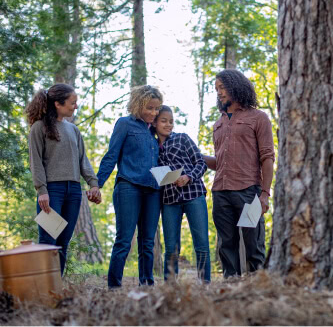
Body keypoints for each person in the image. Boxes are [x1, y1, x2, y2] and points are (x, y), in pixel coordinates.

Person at [203, 69, 275, 278]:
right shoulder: (218, 124)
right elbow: (220, 163)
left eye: (222, 87)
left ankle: (258, 289)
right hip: (221, 193)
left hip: (249, 191)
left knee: (254, 246)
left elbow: (267, 157)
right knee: (226, 246)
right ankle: (230, 286)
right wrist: (197, 156)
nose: (219, 92)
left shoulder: (258, 118)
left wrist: (264, 193)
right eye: (216, 89)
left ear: (235, 85)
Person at [26, 83, 102, 276]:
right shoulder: (38, 128)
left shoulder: (73, 130)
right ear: (58, 104)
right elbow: (35, 162)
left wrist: (93, 183)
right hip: (52, 192)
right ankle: (43, 287)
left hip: (74, 192)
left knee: (63, 242)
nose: (75, 106)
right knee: (48, 241)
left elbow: (83, 160)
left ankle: (57, 288)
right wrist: (42, 190)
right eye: (72, 103)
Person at [97, 85, 163, 288]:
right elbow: (111, 155)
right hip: (129, 187)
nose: (153, 113)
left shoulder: (155, 131)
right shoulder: (125, 124)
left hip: (153, 191)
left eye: (156, 109)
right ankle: (114, 286)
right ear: (138, 104)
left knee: (148, 242)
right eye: (149, 108)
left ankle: (147, 284)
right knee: (124, 239)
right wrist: (96, 184)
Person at [152, 105, 210, 283]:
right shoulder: (152, 146)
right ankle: (170, 285)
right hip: (169, 199)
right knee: (171, 247)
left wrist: (188, 176)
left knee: (201, 244)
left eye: (171, 121)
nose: (168, 125)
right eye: (164, 121)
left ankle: (205, 283)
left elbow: (201, 162)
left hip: (194, 194)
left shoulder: (182, 138)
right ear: (154, 123)